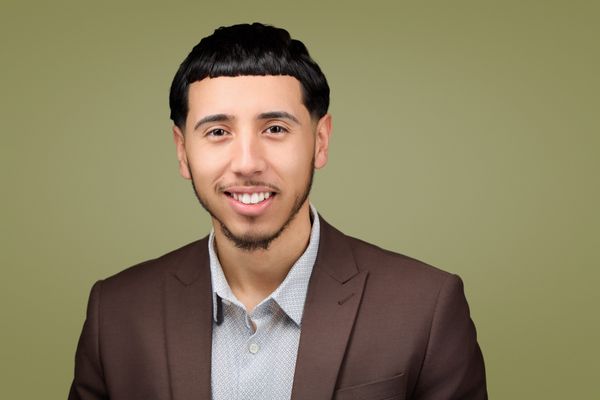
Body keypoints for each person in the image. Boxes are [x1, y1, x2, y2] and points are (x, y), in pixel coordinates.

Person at [68, 23, 487, 400]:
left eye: (275, 129)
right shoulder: (117, 313)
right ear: (182, 150)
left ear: (320, 141)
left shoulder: (426, 307)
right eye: (218, 132)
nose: (247, 162)